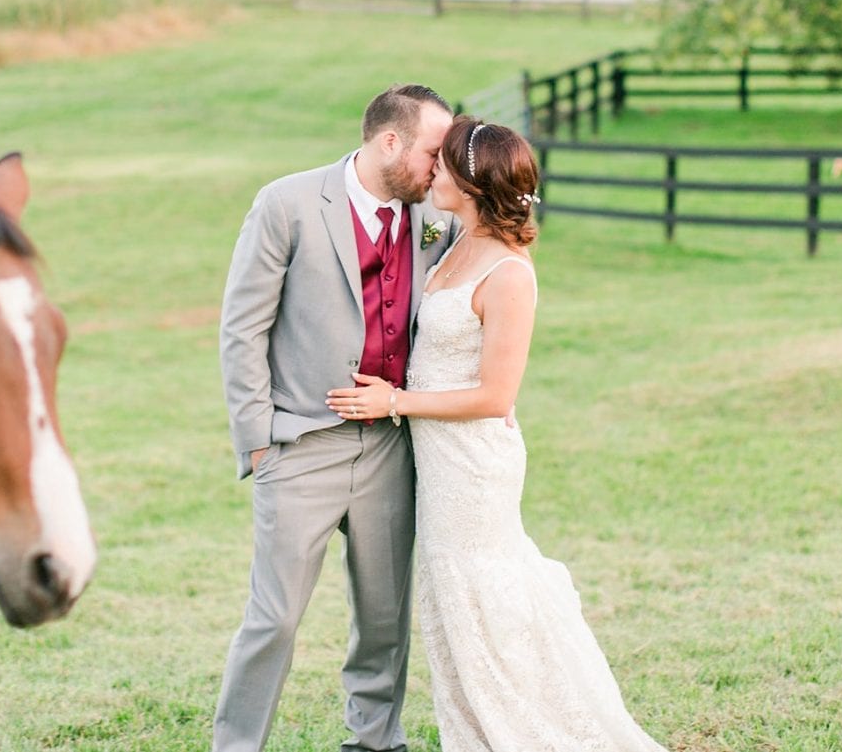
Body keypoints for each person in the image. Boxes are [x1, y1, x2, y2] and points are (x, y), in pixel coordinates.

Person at [327, 117, 667, 751]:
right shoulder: (450, 237)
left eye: (442, 162)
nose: (431, 171)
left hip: (474, 469)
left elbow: (495, 396)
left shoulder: (510, 275)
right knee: (454, 608)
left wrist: (393, 400)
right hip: (438, 461)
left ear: (470, 182)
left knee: (483, 601)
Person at [214, 83, 459, 752]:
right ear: (390, 142)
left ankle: (376, 740)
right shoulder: (287, 203)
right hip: (299, 446)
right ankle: (235, 745)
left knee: (384, 618)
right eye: (434, 152)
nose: (442, 168)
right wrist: (259, 441)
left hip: (390, 448)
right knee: (274, 619)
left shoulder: (434, 217)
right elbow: (242, 329)